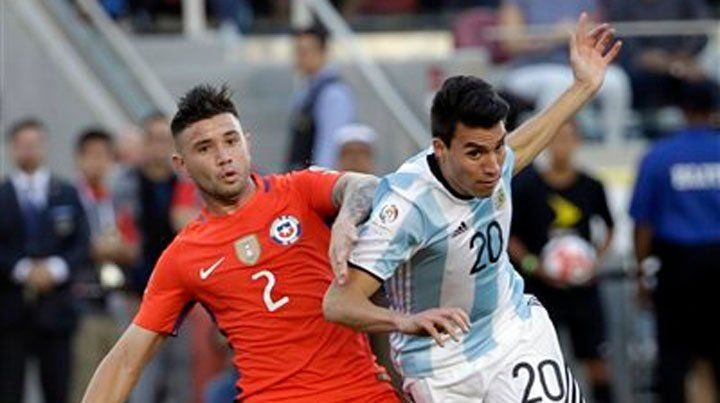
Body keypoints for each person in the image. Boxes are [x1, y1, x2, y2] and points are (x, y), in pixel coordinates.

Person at [323, 14, 620, 401]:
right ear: (440, 148)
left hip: (512, 334)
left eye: (498, 147)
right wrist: (404, 321)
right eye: (476, 153)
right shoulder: (407, 208)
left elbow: (530, 139)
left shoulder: (495, 164)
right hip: (439, 367)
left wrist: (582, 87)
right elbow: (339, 303)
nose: (493, 166)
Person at [82, 84, 398, 402]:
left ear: (246, 142)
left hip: (361, 393)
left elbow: (367, 186)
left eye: (231, 141)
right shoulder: (184, 256)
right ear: (181, 165)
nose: (224, 157)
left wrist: (346, 219)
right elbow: (125, 360)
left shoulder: (298, 190)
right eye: (204, 148)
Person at [509, 121, 615, 403]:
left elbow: (610, 227)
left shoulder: (592, 185)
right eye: (556, 139)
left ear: (578, 142)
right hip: (541, 291)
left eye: (568, 138)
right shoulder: (527, 188)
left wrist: (594, 262)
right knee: (544, 361)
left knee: (597, 360)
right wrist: (533, 266)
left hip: (584, 290)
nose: (562, 146)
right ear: (546, 144)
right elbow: (509, 236)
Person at [629, 80, 720, 403]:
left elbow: (643, 224)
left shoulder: (659, 156)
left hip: (678, 268)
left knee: (673, 356)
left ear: (681, 110)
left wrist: (641, 273)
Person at [0, 119, 91, 403]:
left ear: (45, 146)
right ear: (11, 149)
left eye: (34, 144)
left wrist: (56, 269)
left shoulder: (65, 192)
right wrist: (21, 269)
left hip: (57, 310)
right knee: (8, 388)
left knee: (58, 389)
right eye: (22, 144)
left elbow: (81, 241)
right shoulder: (2, 195)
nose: (28, 150)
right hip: (10, 313)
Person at [70, 128, 139, 403]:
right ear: (79, 158)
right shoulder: (69, 198)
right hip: (82, 305)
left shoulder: (117, 200)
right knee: (86, 385)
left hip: (117, 303)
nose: (98, 162)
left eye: (104, 156)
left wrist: (113, 249)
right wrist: (100, 248)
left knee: (119, 387)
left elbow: (133, 248)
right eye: (92, 155)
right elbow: (78, 247)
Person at [499, 0, 631, 143]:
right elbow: (511, 43)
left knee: (616, 79)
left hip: (574, 66)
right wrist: (552, 37)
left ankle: (614, 144)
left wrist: (580, 33)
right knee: (557, 82)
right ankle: (543, 148)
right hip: (529, 69)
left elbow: (599, 32)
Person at [287, 26, 355, 170]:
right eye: (297, 51)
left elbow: (330, 144)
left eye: (304, 52)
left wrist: (321, 177)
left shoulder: (333, 93)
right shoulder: (306, 92)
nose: (299, 58)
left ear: (322, 52)